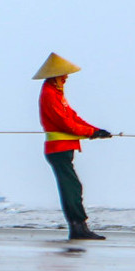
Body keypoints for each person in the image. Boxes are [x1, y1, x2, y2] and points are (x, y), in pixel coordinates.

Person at [34, 53, 112, 241]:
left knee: (74, 187)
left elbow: (73, 117)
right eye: (64, 74)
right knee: (71, 188)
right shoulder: (49, 94)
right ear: (56, 75)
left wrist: (96, 130)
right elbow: (65, 124)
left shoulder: (57, 93)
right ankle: (78, 227)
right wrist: (91, 133)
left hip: (64, 148)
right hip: (58, 149)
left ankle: (79, 227)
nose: (66, 77)